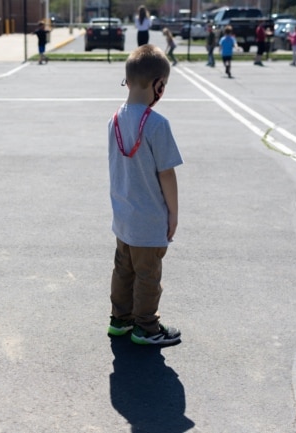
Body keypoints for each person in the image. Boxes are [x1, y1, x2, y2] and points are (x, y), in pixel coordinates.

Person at [107, 44, 183, 346]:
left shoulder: (113, 120)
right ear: (158, 86)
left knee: (123, 270)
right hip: (149, 219)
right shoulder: (157, 124)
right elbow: (167, 173)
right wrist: (173, 213)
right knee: (148, 275)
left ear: (127, 80)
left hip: (123, 217)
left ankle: (120, 320)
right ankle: (146, 328)